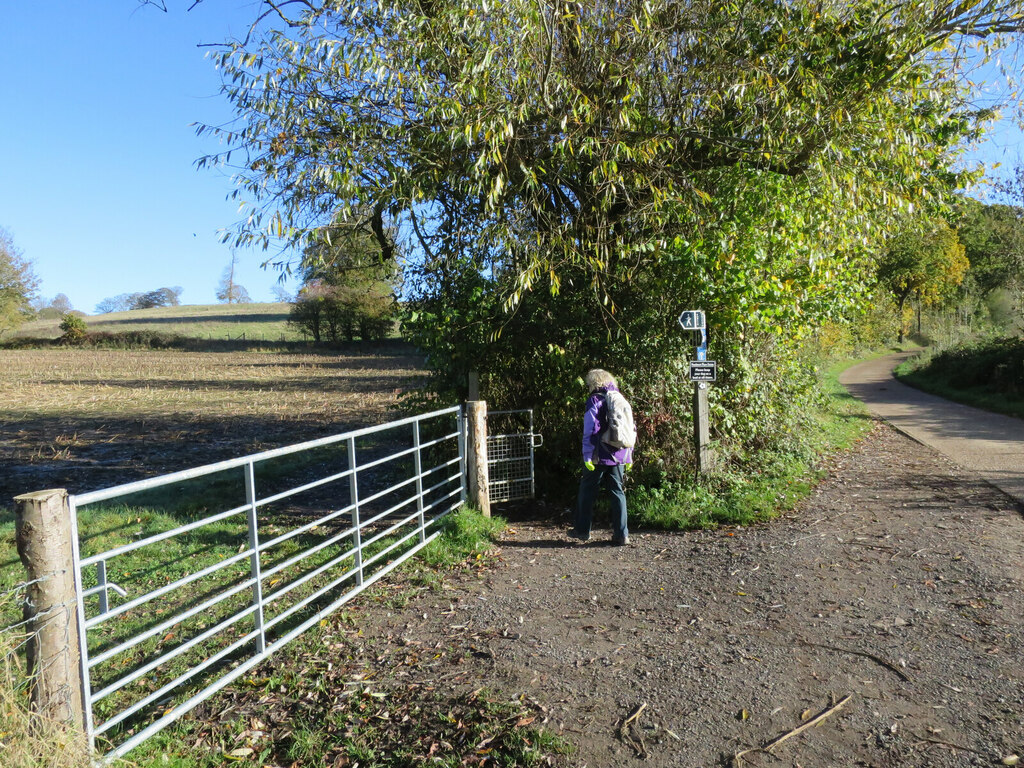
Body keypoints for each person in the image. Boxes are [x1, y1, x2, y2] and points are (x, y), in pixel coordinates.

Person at [569, 368, 633, 545]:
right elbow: (630, 428)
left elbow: (591, 429)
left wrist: (587, 455)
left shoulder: (595, 400)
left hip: (599, 453)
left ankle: (582, 531)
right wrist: (629, 455)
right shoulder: (620, 398)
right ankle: (622, 535)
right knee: (617, 492)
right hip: (620, 452)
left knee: (587, 490)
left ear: (593, 382)